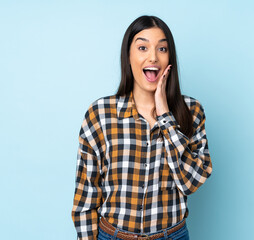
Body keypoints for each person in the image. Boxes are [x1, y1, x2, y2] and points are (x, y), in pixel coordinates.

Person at [71, 15, 213, 240]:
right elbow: (87, 196)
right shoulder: (100, 114)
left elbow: (191, 182)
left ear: (170, 59)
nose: (153, 57)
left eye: (162, 49)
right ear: (128, 56)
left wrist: (165, 115)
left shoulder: (192, 111)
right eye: (143, 47)